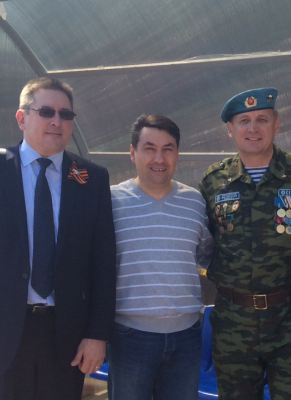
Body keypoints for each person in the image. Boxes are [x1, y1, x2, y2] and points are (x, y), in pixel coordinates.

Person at [0, 77, 117, 399]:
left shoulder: (91, 178)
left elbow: (103, 263)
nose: (57, 121)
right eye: (46, 111)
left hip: (66, 336)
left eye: (65, 114)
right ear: (22, 118)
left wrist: (97, 334)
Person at [198, 88, 291, 400]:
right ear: (230, 129)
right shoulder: (214, 181)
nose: (253, 128)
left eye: (262, 119)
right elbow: (203, 239)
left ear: (277, 125)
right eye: (244, 121)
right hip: (233, 321)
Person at [107, 114, 214, 400]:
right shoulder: (111, 201)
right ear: (133, 153)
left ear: (177, 154)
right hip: (129, 336)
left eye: (168, 149)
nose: (159, 158)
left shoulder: (195, 202)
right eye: (149, 148)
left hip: (186, 336)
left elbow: (205, 253)